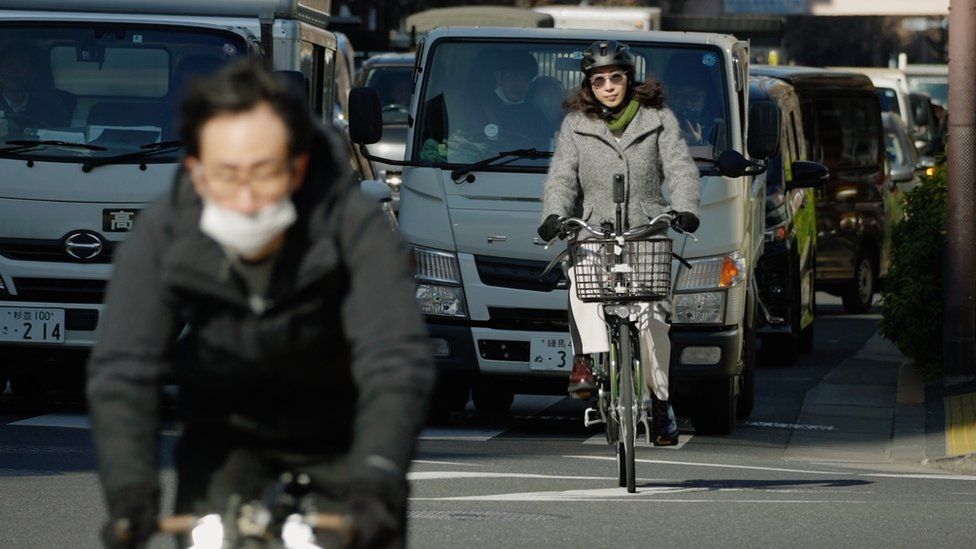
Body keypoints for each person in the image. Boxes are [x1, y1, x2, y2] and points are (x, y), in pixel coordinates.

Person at [87, 60, 434, 548]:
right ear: (198, 172)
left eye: (265, 173)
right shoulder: (166, 230)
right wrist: (130, 495)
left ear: (297, 167)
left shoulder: (351, 225)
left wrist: (378, 478)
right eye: (226, 175)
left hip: (342, 435)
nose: (247, 198)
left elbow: (395, 360)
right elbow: (125, 366)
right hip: (223, 434)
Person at [537, 40, 700, 446]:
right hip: (594, 227)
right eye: (599, 80)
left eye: (615, 77)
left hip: (647, 228)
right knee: (581, 283)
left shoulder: (658, 118)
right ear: (588, 86)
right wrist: (554, 216)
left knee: (653, 319)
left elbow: (680, 168)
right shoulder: (576, 124)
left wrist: (684, 208)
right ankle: (586, 365)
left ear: (629, 79)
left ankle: (661, 407)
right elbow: (561, 177)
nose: (608, 86)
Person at [0, 44, 70, 137]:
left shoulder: (50, 109)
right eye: (9, 64)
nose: (15, 70)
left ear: (32, 73)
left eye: (22, 64)